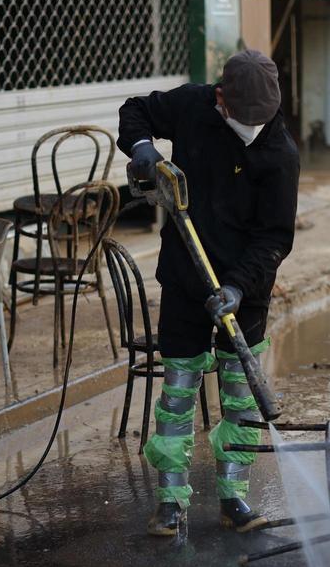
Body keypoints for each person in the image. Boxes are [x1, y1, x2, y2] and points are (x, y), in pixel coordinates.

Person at [117, 49, 300, 536]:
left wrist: (239, 287)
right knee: (177, 393)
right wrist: (141, 147)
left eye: (260, 121)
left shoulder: (279, 154)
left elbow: (275, 238)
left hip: (245, 293)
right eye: (244, 119)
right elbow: (135, 109)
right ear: (220, 99)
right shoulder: (193, 106)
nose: (252, 128)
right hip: (184, 276)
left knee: (240, 401)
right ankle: (170, 500)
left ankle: (234, 499)